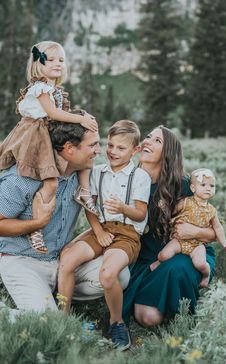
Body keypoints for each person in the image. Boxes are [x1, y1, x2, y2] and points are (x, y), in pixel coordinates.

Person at [0, 121, 130, 313]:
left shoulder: (83, 176)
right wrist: (37, 223)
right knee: (47, 323)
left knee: (119, 274)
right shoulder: (22, 178)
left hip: (62, 260)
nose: (99, 151)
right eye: (92, 145)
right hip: (23, 261)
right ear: (69, 148)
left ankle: (53, 295)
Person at [58, 120, 151, 350]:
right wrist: (98, 231)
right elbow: (91, 207)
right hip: (101, 227)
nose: (112, 152)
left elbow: (140, 214)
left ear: (135, 150)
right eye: (110, 145)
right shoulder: (97, 172)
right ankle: (62, 317)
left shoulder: (140, 177)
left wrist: (123, 208)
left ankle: (117, 322)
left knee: (108, 273)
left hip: (127, 234)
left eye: (121, 148)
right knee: (68, 258)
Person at [0, 41, 99, 254]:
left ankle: (83, 191)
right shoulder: (40, 87)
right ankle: (36, 227)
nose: (58, 64)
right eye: (51, 60)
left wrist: (83, 116)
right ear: (38, 64)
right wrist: (79, 120)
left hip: (48, 132)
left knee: (83, 157)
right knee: (51, 182)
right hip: (37, 138)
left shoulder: (54, 89)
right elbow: (53, 114)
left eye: (61, 60)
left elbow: (62, 114)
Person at [122, 126, 216, 327]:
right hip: (146, 259)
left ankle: (182, 307)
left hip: (186, 253)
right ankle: (165, 298)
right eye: (148, 137)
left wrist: (195, 231)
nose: (147, 141)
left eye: (157, 141)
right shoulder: (126, 181)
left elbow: (211, 233)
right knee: (147, 317)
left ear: (168, 153)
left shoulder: (183, 185)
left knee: (177, 270)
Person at [150, 168, 226, 288]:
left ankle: (206, 274)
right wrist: (164, 207)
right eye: (203, 184)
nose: (208, 188)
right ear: (193, 188)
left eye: (212, 185)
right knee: (163, 255)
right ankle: (159, 263)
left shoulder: (212, 210)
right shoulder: (185, 202)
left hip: (197, 244)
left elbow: (218, 228)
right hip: (179, 240)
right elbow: (172, 211)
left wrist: (224, 242)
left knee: (200, 264)